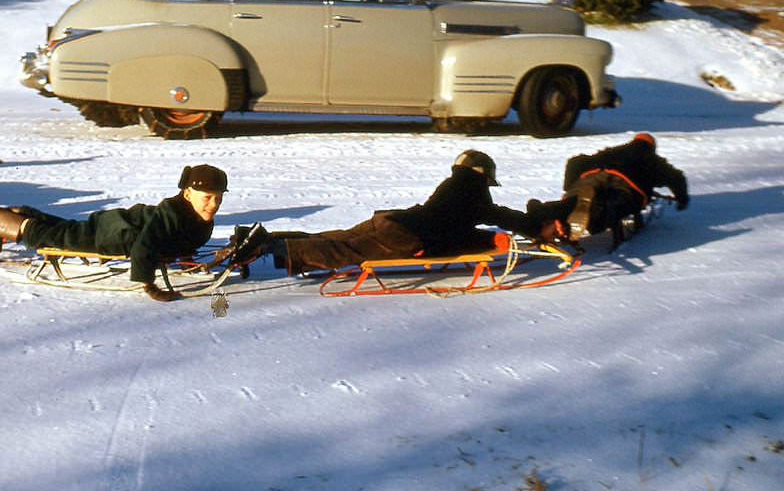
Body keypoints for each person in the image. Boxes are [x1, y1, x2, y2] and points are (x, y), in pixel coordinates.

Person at [226, 150, 549, 274]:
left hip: (393, 219)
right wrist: (535, 229)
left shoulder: (452, 186)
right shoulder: (474, 194)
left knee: (334, 237)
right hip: (406, 233)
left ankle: (264, 237)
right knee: (343, 250)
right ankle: (269, 246)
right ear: (483, 176)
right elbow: (502, 216)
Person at [0, 164, 229, 302]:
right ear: (187, 194)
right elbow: (143, 248)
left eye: (218, 198)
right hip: (113, 234)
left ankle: (21, 211)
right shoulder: (171, 216)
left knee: (67, 229)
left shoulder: (197, 216)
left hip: (120, 224)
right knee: (58, 237)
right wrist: (150, 286)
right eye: (207, 197)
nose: (214, 204)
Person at [528, 132, 689, 248]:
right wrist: (682, 199)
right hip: (628, 184)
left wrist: (569, 187)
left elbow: (575, 162)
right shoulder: (653, 160)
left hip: (593, 174)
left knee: (576, 198)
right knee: (610, 203)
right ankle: (593, 215)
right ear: (652, 147)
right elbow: (677, 178)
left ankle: (549, 211)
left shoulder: (614, 151)